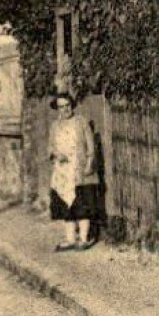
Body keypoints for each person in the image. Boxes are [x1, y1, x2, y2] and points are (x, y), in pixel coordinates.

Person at [48, 91, 102, 250]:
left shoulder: (81, 122)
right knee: (67, 207)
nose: (64, 110)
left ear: (72, 106)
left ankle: (83, 239)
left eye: (67, 106)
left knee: (82, 204)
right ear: (57, 109)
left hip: (79, 170)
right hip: (63, 172)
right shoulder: (54, 126)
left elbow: (91, 146)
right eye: (61, 107)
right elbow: (50, 147)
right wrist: (57, 154)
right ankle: (70, 238)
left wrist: (89, 165)